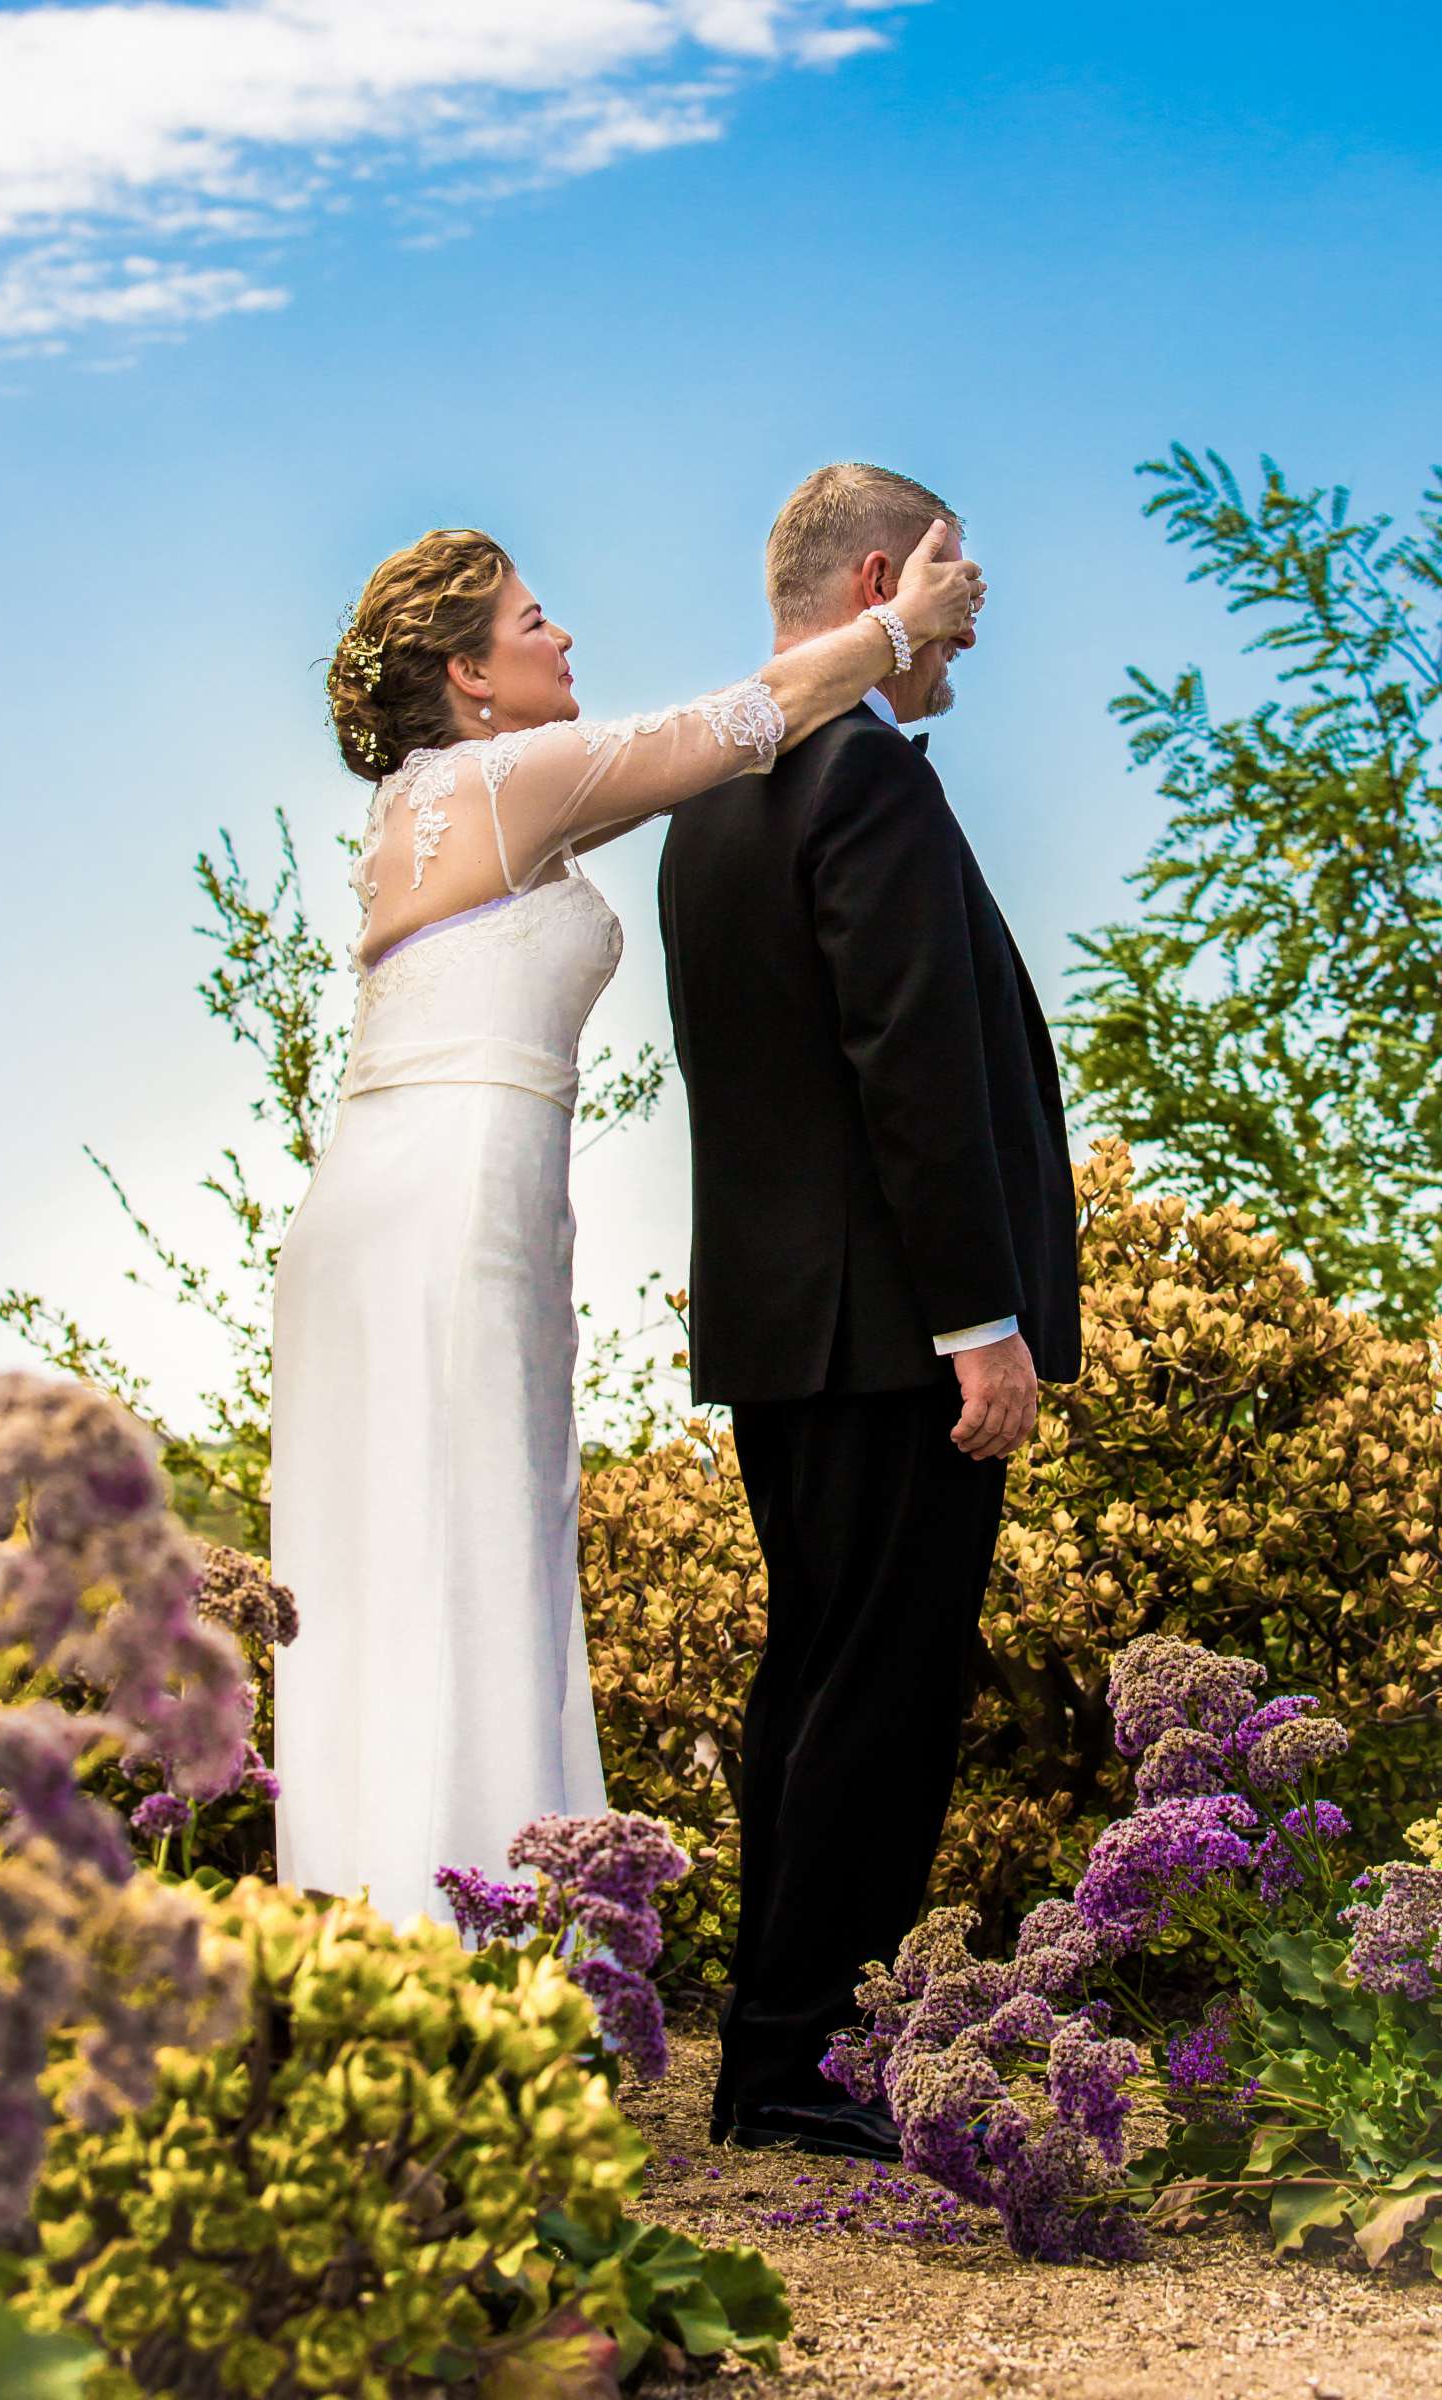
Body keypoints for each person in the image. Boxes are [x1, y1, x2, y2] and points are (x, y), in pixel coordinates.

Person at [270, 518, 984, 1920]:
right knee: (471, 1548)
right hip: (457, 1197)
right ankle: (473, 1953)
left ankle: (393, 1934)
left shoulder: (445, 800)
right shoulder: (507, 780)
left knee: (396, 1567)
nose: (566, 638)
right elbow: (740, 721)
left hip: (376, 1193)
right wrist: (903, 626)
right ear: (472, 680)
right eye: (535, 623)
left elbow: (719, 749)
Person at [657, 462, 1081, 2158]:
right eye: (958, 586)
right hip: (898, 1328)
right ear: (881, 583)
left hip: (786, 1329)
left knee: (814, 1678)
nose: (972, 628)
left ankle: (777, 2045)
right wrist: (980, 1319)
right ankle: (799, 2065)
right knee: (883, 1689)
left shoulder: (712, 804)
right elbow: (913, 1068)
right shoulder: (868, 781)